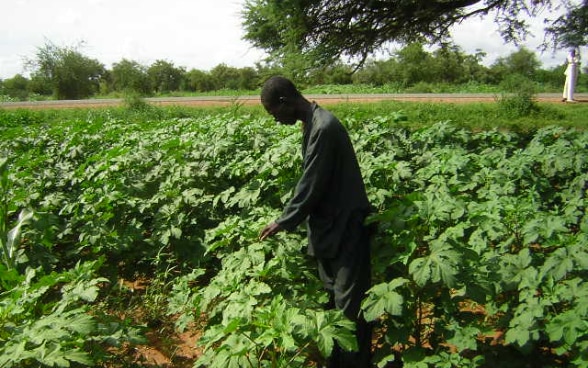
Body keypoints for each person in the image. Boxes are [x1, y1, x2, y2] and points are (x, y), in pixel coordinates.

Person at [258, 76, 373, 368]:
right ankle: (337, 362)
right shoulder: (312, 124)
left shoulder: (324, 127)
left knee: (349, 309)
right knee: (333, 303)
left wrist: (283, 221)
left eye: (274, 113)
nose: (275, 120)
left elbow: (311, 182)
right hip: (328, 228)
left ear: (284, 102)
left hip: (346, 229)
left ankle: (354, 363)